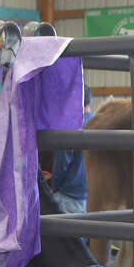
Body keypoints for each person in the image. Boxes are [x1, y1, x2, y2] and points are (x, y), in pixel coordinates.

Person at [48, 83, 92, 214]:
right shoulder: (99, 124)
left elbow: (61, 164)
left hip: (70, 196)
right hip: (93, 196)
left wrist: (54, 186)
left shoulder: (70, 126)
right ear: (91, 99)